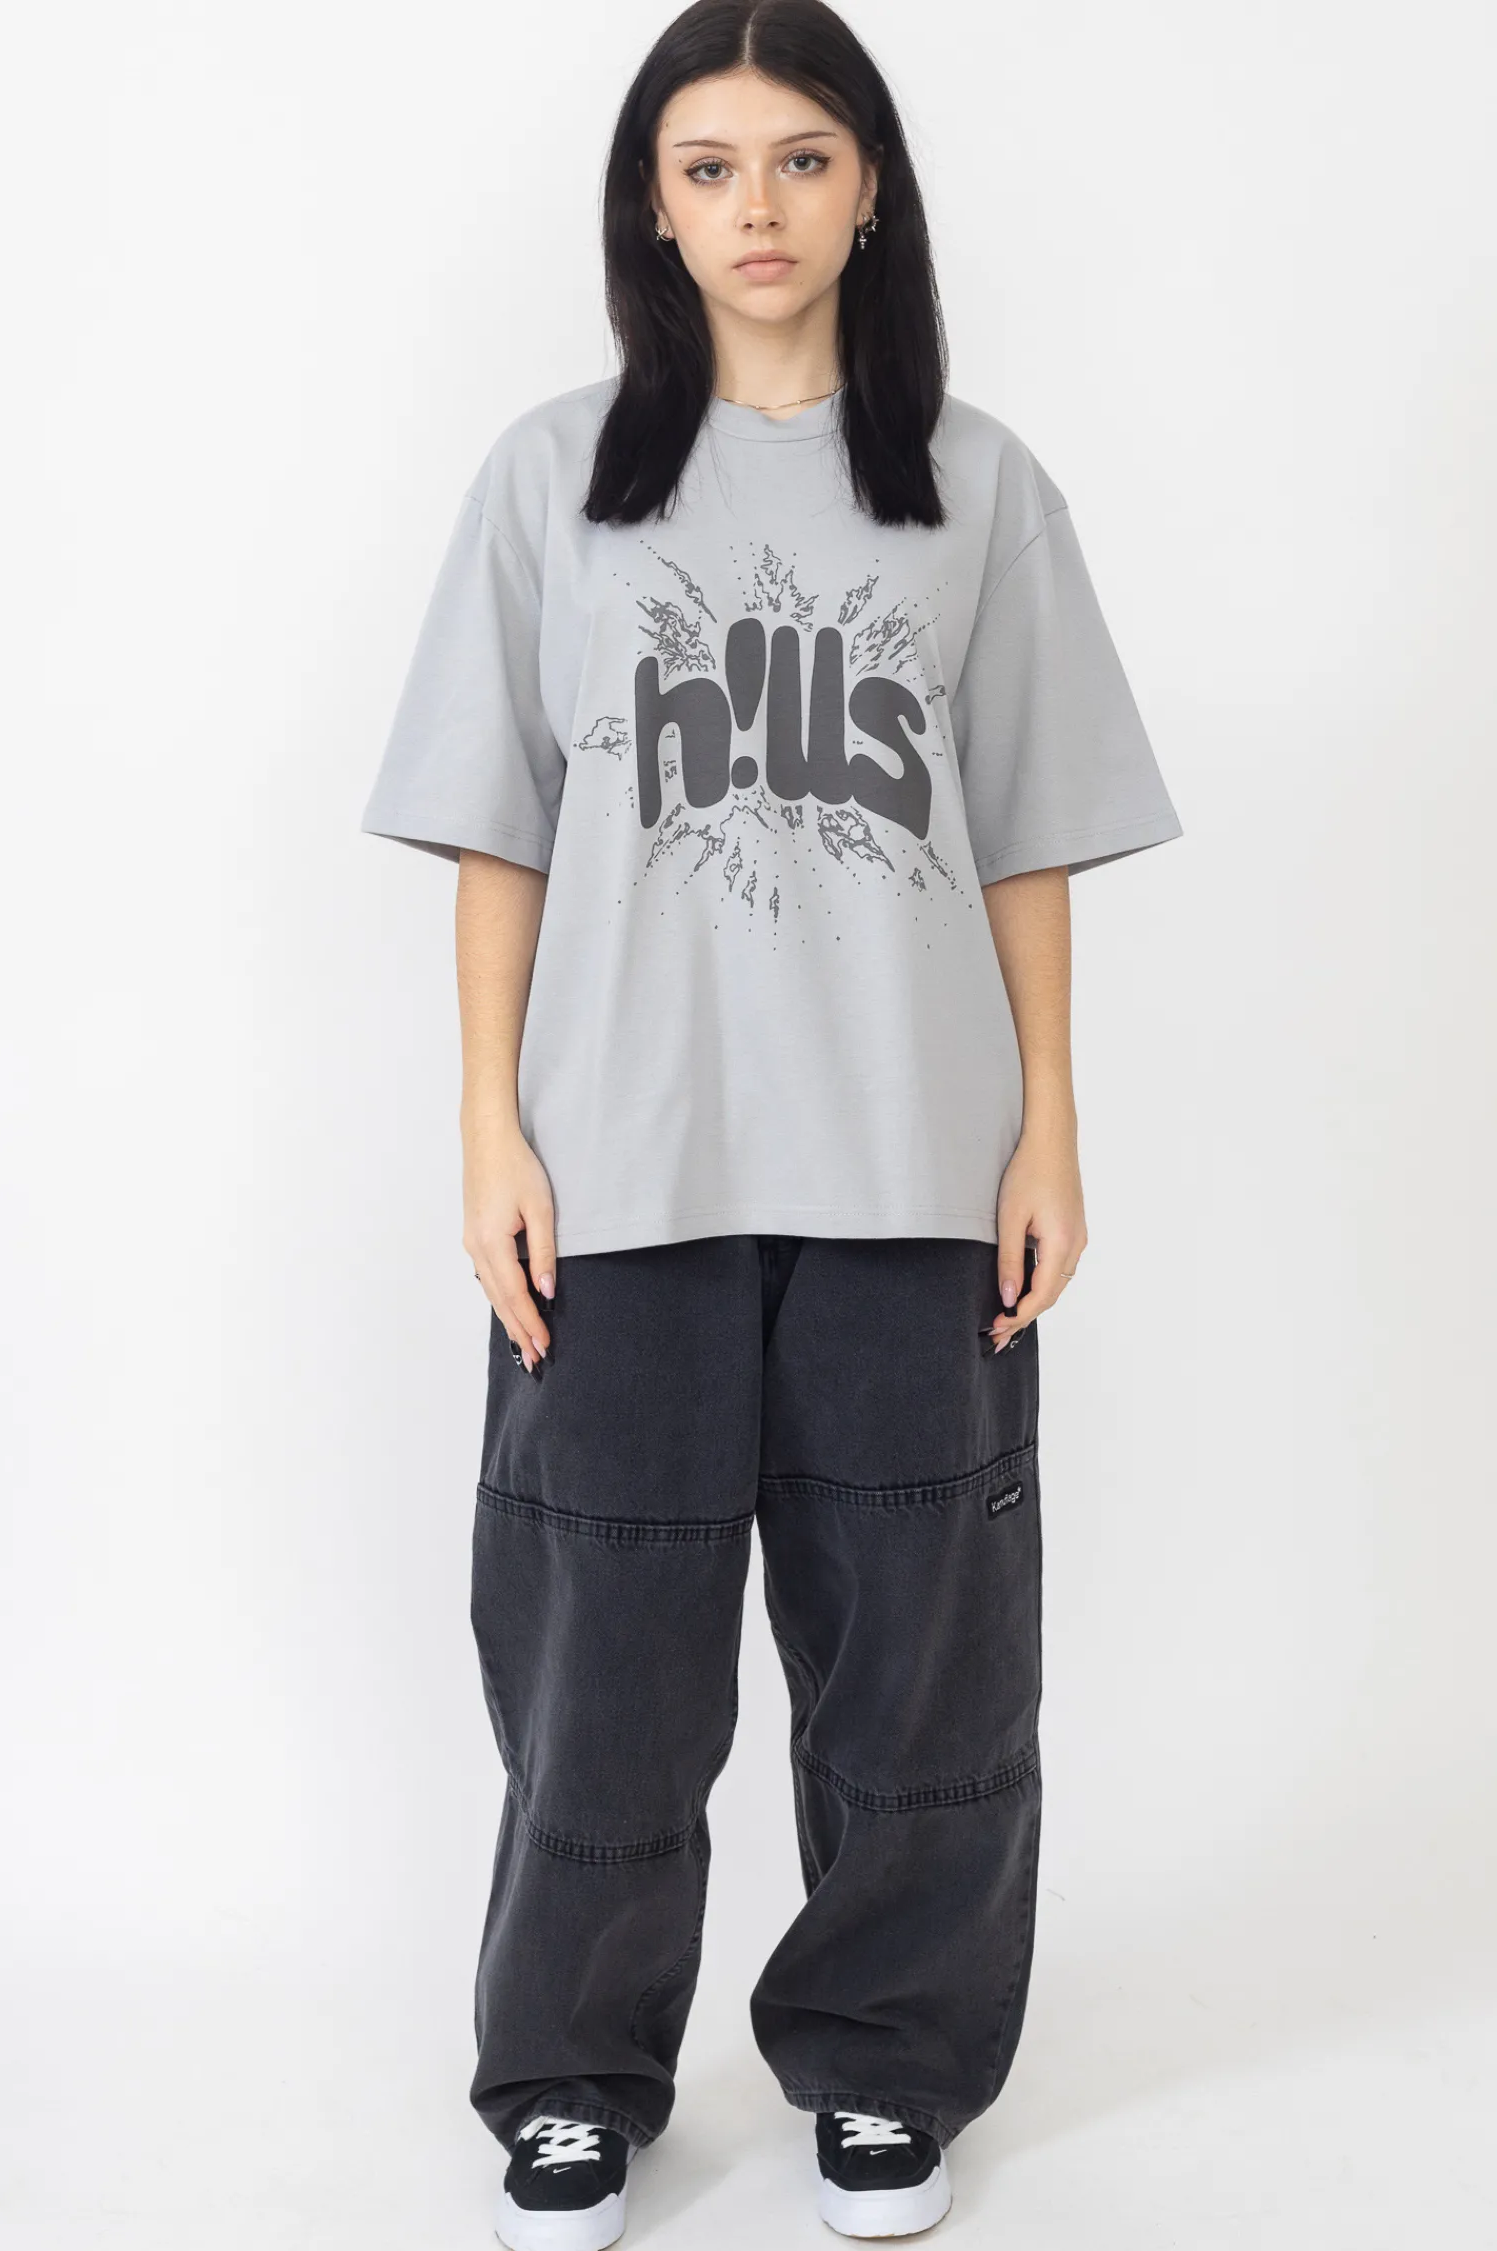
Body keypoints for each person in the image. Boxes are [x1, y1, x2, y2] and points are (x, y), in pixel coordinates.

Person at [359, 2, 1182, 2242]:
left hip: (915, 1164)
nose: (758, 207)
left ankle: (886, 2066)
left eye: (802, 160)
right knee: (600, 1665)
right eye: (709, 165)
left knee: (922, 1656)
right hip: (622, 1168)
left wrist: (1050, 1127)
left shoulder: (976, 485)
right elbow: (499, 832)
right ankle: (572, 2078)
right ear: (651, 203)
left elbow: (1026, 833)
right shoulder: (554, 478)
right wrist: (489, 1130)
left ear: (870, 189)